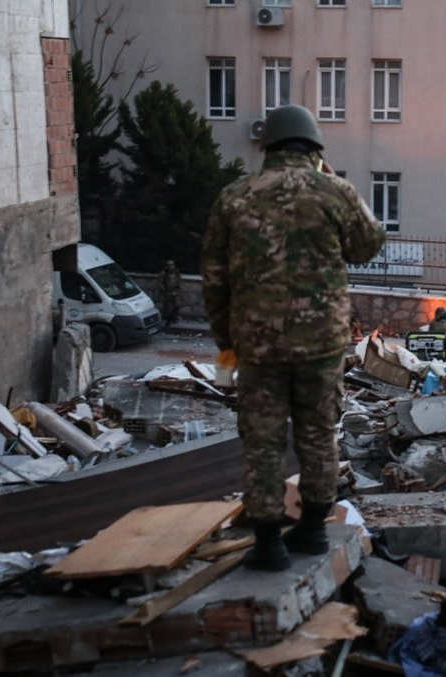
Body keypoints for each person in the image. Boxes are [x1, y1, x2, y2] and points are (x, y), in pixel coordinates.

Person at [201, 104, 385, 572]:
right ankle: (313, 529)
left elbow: (214, 280)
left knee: (260, 440)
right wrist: (335, 180)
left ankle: (267, 543)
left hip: (257, 347)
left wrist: (227, 342)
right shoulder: (334, 191)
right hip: (321, 346)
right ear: (315, 149)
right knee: (319, 433)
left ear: (267, 148)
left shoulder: (234, 197)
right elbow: (368, 243)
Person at [158, 260, 181, 326]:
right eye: (170, 265)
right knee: (167, 307)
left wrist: (177, 286)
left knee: (177, 305)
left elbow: (178, 279)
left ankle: (174, 317)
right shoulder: (164, 273)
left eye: (172, 265)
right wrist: (163, 289)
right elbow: (160, 282)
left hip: (174, 291)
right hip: (167, 292)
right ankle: (168, 319)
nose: (172, 267)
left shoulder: (176, 272)